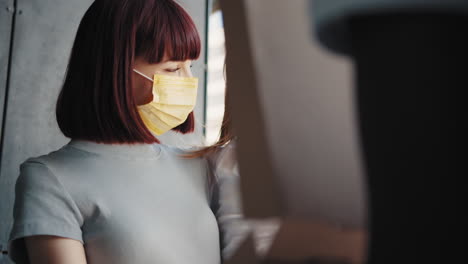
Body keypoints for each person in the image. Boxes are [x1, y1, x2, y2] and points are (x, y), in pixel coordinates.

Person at [8, 0, 220, 263]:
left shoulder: (202, 166)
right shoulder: (49, 179)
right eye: (173, 68)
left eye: (191, 66)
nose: (189, 82)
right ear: (115, 68)